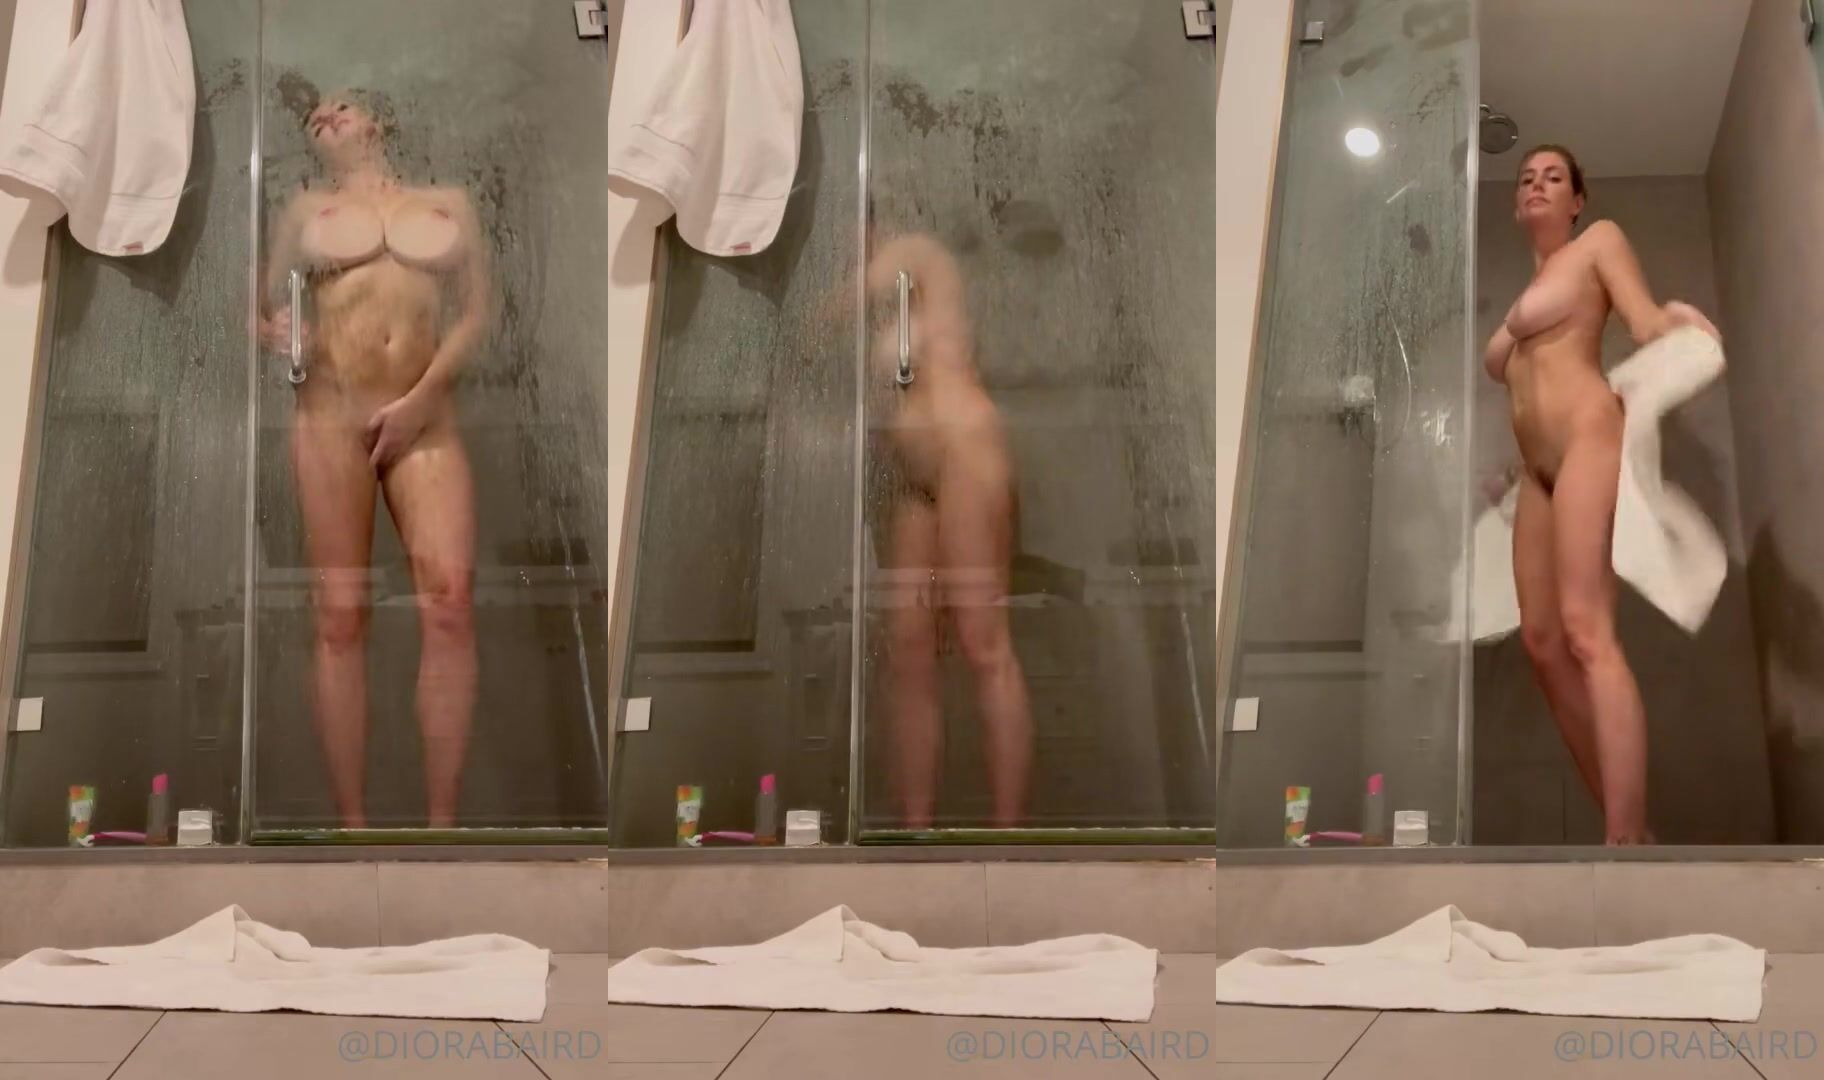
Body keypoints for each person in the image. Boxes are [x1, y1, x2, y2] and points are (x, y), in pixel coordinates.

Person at [258, 92, 489, 828]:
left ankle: (443, 825)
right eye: (315, 117)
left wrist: (423, 398)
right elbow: (256, 307)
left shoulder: (450, 202)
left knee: (450, 601)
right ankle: (352, 825)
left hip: (426, 415)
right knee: (339, 614)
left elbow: (480, 313)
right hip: (331, 413)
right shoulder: (305, 209)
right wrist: (274, 329)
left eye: (344, 106)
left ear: (381, 120)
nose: (327, 117)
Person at [1484, 144, 1718, 845]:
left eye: (1553, 177)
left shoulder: (1598, 243)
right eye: (1527, 178)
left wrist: (1682, 323)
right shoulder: (1530, 289)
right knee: (1541, 644)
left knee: (1587, 631)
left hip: (1588, 436)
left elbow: (1643, 322)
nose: (1537, 185)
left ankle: (1623, 841)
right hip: (1536, 472)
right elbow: (1523, 379)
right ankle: (1633, 831)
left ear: (1577, 200)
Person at [866, 233, 1032, 829]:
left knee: (982, 643)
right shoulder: (887, 305)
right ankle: (915, 829)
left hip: (964, 449)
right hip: (913, 473)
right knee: (908, 652)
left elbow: (841, 301)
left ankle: (1009, 833)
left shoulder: (916, 254)